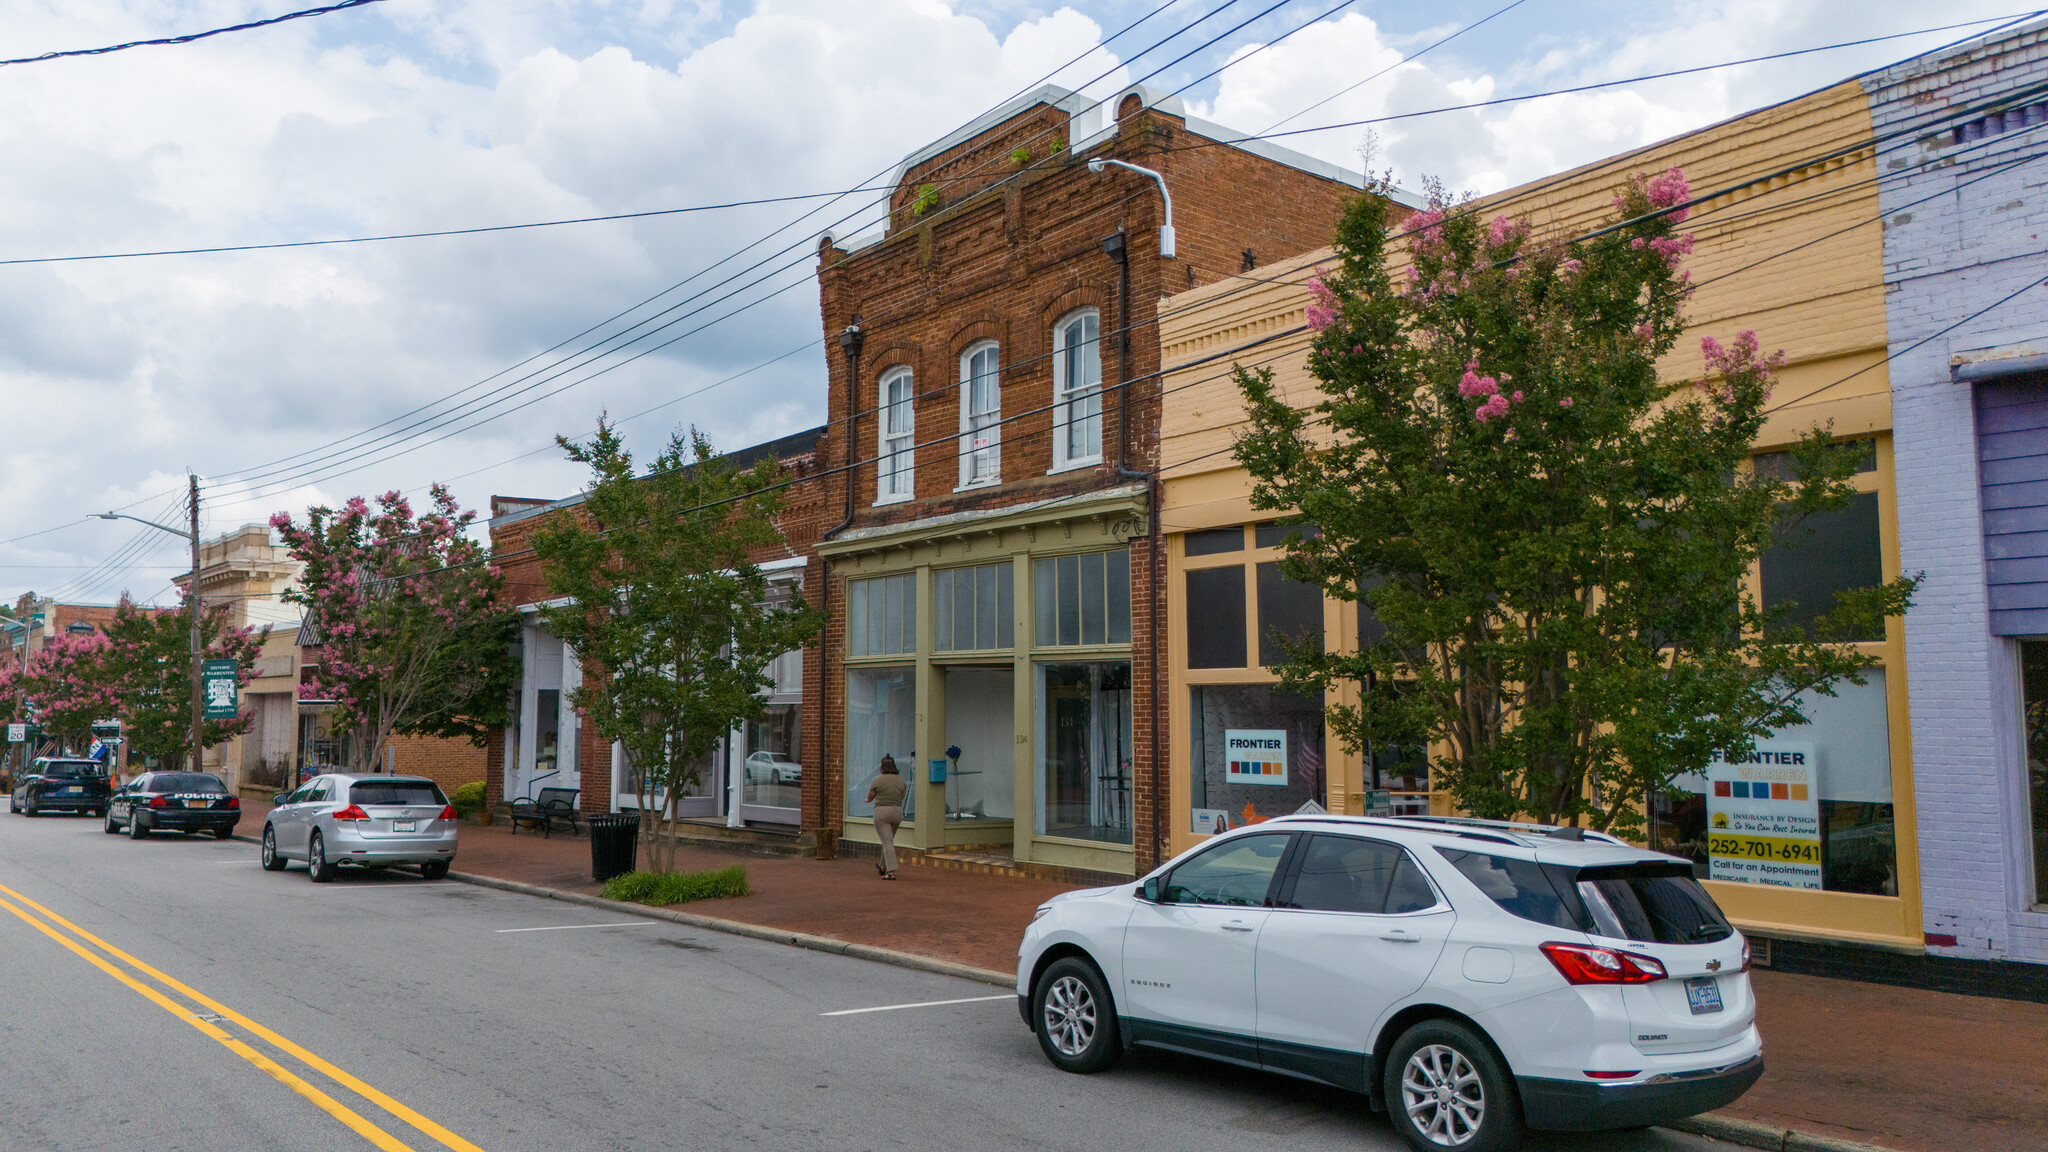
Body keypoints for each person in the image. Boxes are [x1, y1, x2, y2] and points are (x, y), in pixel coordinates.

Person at [866, 755, 907, 880]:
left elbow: (870, 796)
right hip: (897, 812)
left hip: (882, 812)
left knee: (887, 842)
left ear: (882, 767)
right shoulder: (901, 780)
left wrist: (867, 800)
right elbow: (902, 796)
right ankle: (882, 866)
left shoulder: (877, 780)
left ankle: (891, 872)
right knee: (888, 840)